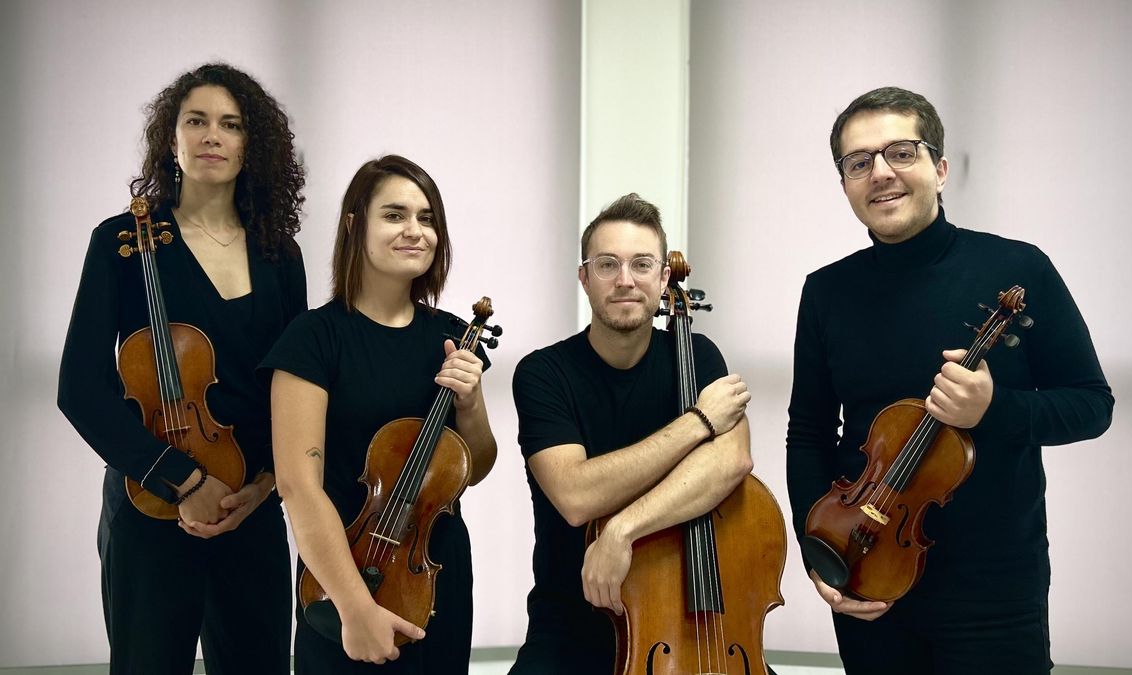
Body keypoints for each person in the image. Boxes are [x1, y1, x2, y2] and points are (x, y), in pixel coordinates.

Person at [786, 86, 1114, 674]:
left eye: (900, 153)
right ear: (845, 186)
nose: (880, 173)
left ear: (939, 169)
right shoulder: (826, 290)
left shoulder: (1018, 267)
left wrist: (995, 409)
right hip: (868, 575)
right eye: (858, 163)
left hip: (995, 589)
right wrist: (819, 552)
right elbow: (808, 430)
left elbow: (1092, 406)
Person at [57, 62, 307, 674]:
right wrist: (186, 482)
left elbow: (294, 390)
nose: (212, 136)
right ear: (172, 139)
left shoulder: (279, 253)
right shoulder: (121, 241)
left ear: (253, 144)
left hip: (250, 507)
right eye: (195, 121)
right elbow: (80, 389)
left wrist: (265, 485)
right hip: (151, 502)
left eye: (230, 124)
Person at [263, 154, 497, 673]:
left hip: (435, 571)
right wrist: (355, 607)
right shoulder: (313, 338)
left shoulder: (456, 335)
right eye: (394, 215)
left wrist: (472, 403)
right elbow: (299, 486)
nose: (415, 230)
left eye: (427, 217)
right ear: (354, 224)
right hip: (344, 574)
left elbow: (472, 469)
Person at [509, 193, 754, 674]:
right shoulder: (543, 373)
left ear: (664, 278)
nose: (625, 280)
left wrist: (622, 529)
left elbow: (731, 462)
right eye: (607, 264)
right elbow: (576, 495)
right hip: (569, 626)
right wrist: (698, 423)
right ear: (584, 278)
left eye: (642, 264)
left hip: (692, 623)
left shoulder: (698, 356)